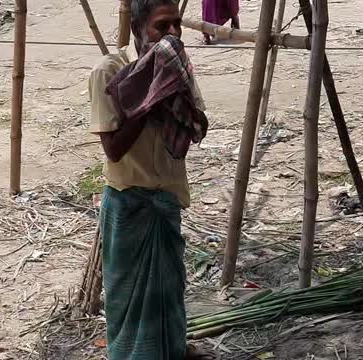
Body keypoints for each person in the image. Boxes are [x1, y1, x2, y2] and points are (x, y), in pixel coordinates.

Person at [88, 1, 219, 359]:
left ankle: (173, 350)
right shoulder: (110, 71)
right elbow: (113, 149)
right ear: (138, 28)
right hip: (129, 202)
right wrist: (149, 98)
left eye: (177, 24)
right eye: (163, 27)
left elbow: (190, 130)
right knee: (128, 300)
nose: (173, 34)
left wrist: (171, 91)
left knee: (168, 290)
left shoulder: (176, 70)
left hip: (167, 198)